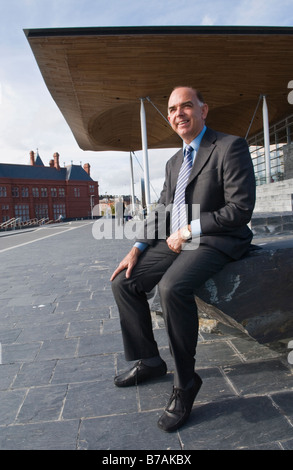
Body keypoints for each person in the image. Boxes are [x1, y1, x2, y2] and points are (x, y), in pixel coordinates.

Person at [110, 86, 256, 432]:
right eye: (173, 109)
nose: (178, 114)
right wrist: (139, 246)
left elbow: (240, 209)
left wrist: (189, 230)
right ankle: (149, 360)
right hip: (177, 240)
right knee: (124, 281)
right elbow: (162, 209)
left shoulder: (229, 146)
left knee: (171, 287)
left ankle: (185, 383)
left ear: (203, 110)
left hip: (217, 238)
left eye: (186, 106)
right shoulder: (175, 161)